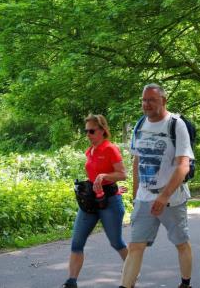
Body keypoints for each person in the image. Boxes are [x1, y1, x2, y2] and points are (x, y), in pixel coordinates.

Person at [119, 83, 194, 288]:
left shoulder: (176, 125)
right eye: (144, 100)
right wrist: (136, 195)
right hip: (144, 197)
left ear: (163, 100)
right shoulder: (140, 124)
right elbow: (137, 161)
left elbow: (183, 166)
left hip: (172, 198)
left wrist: (164, 196)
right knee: (135, 246)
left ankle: (185, 284)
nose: (146, 104)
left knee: (181, 243)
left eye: (151, 99)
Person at [62, 114, 128, 288]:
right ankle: (71, 281)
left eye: (91, 131)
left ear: (103, 130)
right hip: (91, 200)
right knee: (76, 242)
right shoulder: (90, 150)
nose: (88, 135)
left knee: (116, 242)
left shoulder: (110, 149)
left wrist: (105, 176)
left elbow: (123, 174)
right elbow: (93, 173)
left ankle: (132, 271)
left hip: (110, 202)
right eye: (86, 131)